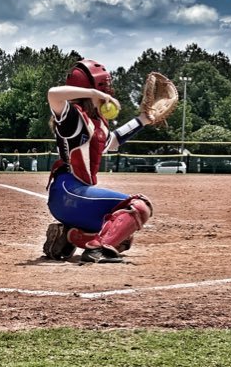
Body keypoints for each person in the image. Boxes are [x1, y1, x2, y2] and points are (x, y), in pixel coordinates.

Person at [44, 59, 154, 263]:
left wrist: (143, 120)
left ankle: (67, 236)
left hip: (76, 200)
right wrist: (95, 94)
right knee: (139, 206)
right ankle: (96, 250)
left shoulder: (97, 123)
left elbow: (112, 141)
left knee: (122, 238)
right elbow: (53, 94)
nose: (109, 92)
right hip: (68, 192)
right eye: (104, 87)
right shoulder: (73, 117)